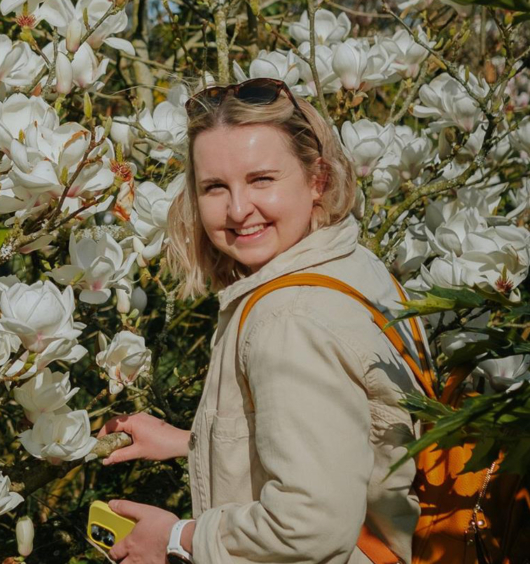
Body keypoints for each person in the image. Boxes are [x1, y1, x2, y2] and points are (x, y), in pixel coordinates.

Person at [96, 78, 431, 564]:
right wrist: (195, 441)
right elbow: (338, 440)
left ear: (317, 178)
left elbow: (307, 527)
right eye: (215, 187)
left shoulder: (288, 319)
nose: (237, 210)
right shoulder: (352, 266)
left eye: (261, 180)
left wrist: (176, 538)